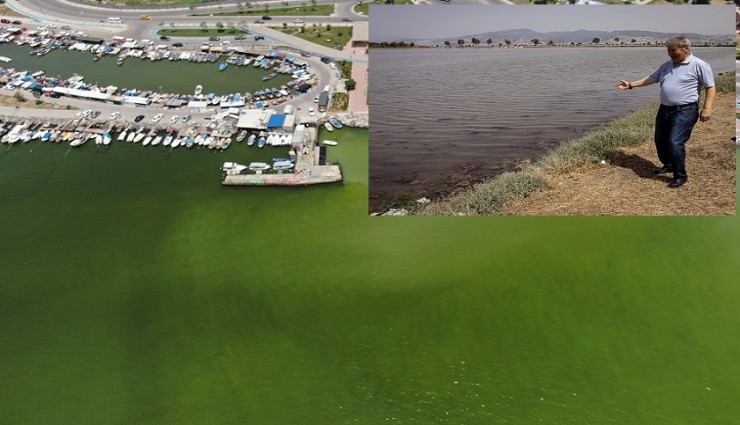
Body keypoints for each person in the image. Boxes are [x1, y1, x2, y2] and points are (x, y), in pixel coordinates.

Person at [617, 35, 715, 188]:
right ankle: (669, 164)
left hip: (685, 110)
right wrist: (630, 85)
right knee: (660, 140)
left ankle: (680, 176)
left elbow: (710, 87)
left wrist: (707, 108)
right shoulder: (666, 65)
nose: (670, 53)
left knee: (674, 141)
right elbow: (652, 78)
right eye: (668, 50)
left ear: (686, 49)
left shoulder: (699, 65)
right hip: (665, 109)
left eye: (673, 50)